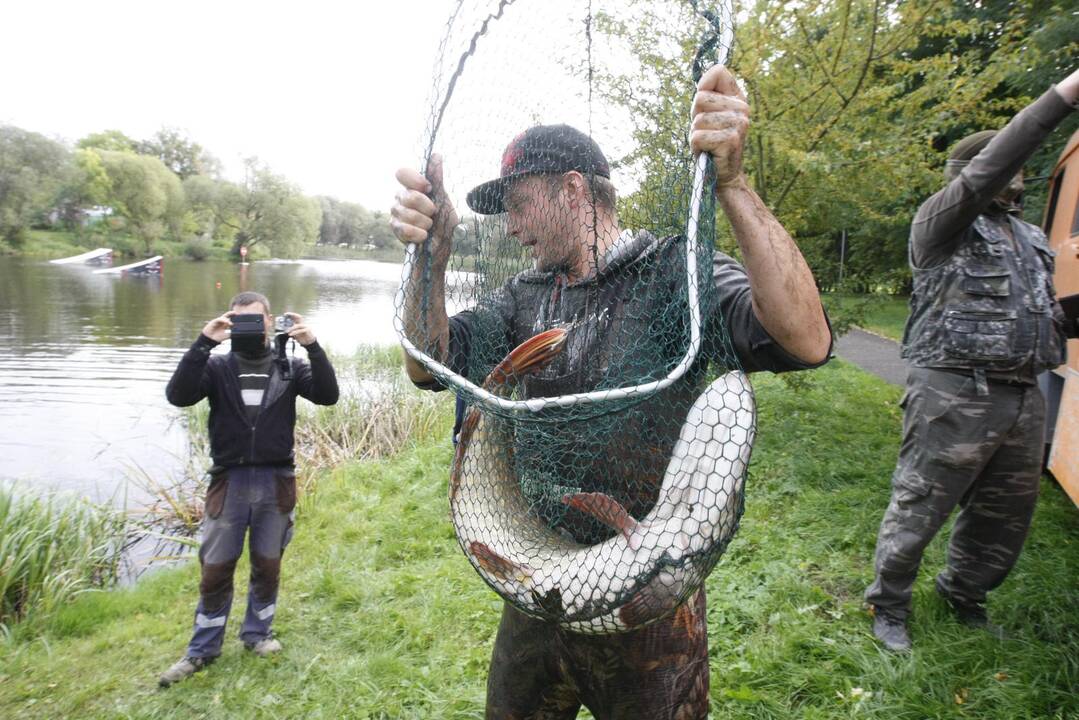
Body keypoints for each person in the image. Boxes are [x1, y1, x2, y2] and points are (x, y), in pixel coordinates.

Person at [391, 65, 831, 719]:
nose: (509, 226)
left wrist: (733, 184)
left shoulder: (673, 272)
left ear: (572, 190)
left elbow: (804, 340)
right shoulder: (522, 299)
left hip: (646, 596)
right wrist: (433, 254)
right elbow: (426, 366)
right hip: (536, 581)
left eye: (517, 204)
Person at [864, 69, 1079, 653]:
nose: (1015, 172)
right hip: (954, 395)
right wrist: (1062, 97)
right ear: (973, 174)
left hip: (1023, 396)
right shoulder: (942, 224)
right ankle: (889, 605)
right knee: (920, 504)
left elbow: (1047, 314)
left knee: (1004, 516)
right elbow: (988, 168)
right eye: (1002, 163)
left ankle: (965, 596)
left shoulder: (1030, 237)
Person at [158, 292, 339, 687]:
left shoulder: (289, 367)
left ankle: (257, 635)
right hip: (229, 483)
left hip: (276, 483)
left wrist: (313, 347)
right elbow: (178, 395)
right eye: (239, 322)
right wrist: (204, 341)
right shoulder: (217, 367)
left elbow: (328, 395)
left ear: (270, 321)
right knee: (216, 569)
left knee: (268, 564)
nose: (248, 329)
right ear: (229, 323)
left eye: (255, 321)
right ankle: (202, 649)